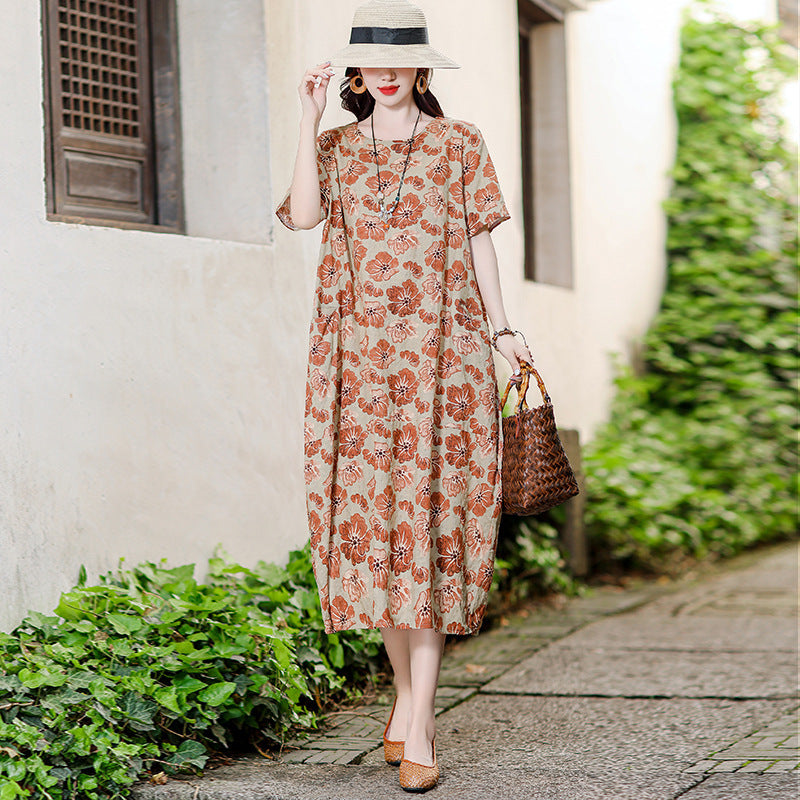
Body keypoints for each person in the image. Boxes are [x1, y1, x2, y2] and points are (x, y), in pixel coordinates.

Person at [275, 0, 532, 791]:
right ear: (357, 72)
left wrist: (502, 331)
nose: (385, 75)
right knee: (382, 538)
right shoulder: (337, 148)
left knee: (431, 531)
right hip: (357, 369)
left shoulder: (460, 143)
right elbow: (305, 217)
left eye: (400, 61)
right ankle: (407, 704)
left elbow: (480, 240)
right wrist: (308, 116)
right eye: (372, 63)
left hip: (445, 361)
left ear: (421, 68)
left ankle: (418, 721)